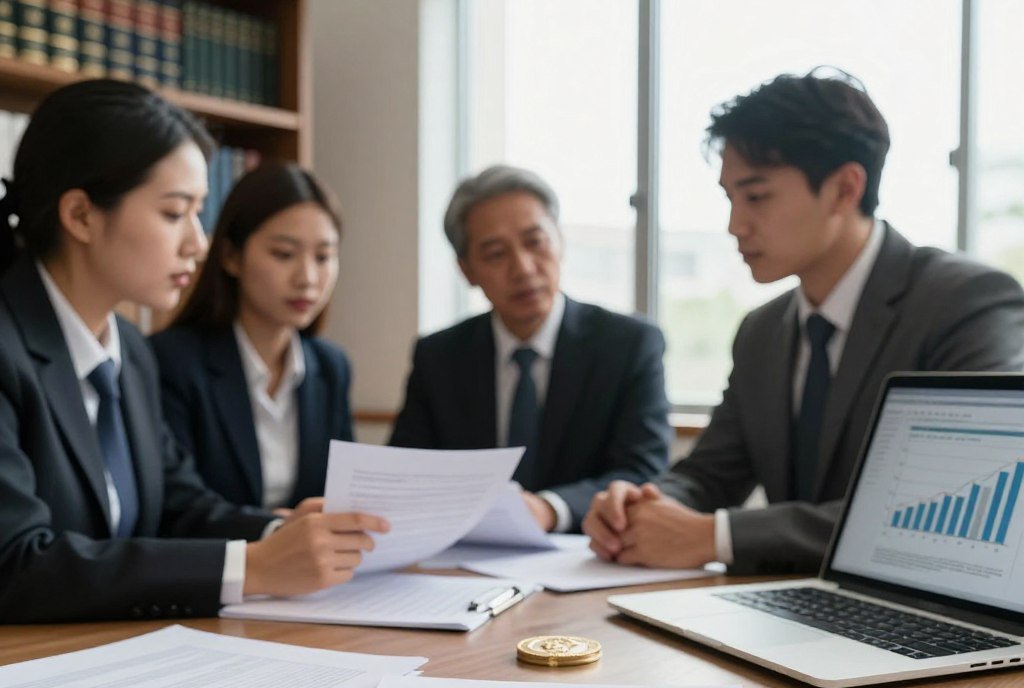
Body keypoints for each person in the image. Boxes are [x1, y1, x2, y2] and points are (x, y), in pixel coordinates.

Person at [584, 69, 1024, 575]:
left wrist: (717, 537)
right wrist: (637, 505)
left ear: (844, 188)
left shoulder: (965, 303)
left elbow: (943, 513)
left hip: (922, 618)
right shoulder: (762, 331)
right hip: (789, 610)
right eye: (729, 198)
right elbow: (709, 476)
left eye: (756, 196)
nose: (734, 225)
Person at [0, 79, 385, 623]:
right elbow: (15, 564)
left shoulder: (130, 351)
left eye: (199, 213)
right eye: (174, 213)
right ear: (81, 215)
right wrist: (250, 567)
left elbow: (178, 507)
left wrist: (281, 535)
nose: (198, 243)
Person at [388, 164, 672, 532]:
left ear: (560, 242)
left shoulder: (629, 344)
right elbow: (406, 473)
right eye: (495, 254)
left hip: (586, 554)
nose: (522, 268)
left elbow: (641, 469)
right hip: (467, 557)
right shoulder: (439, 356)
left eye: (535, 242)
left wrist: (549, 509)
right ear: (466, 271)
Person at [151, 163, 352, 511]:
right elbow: (178, 507)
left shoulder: (331, 368)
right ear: (231, 256)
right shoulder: (172, 361)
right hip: (219, 563)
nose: (307, 277)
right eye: (284, 254)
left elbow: (340, 497)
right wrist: (279, 531)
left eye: (323, 257)